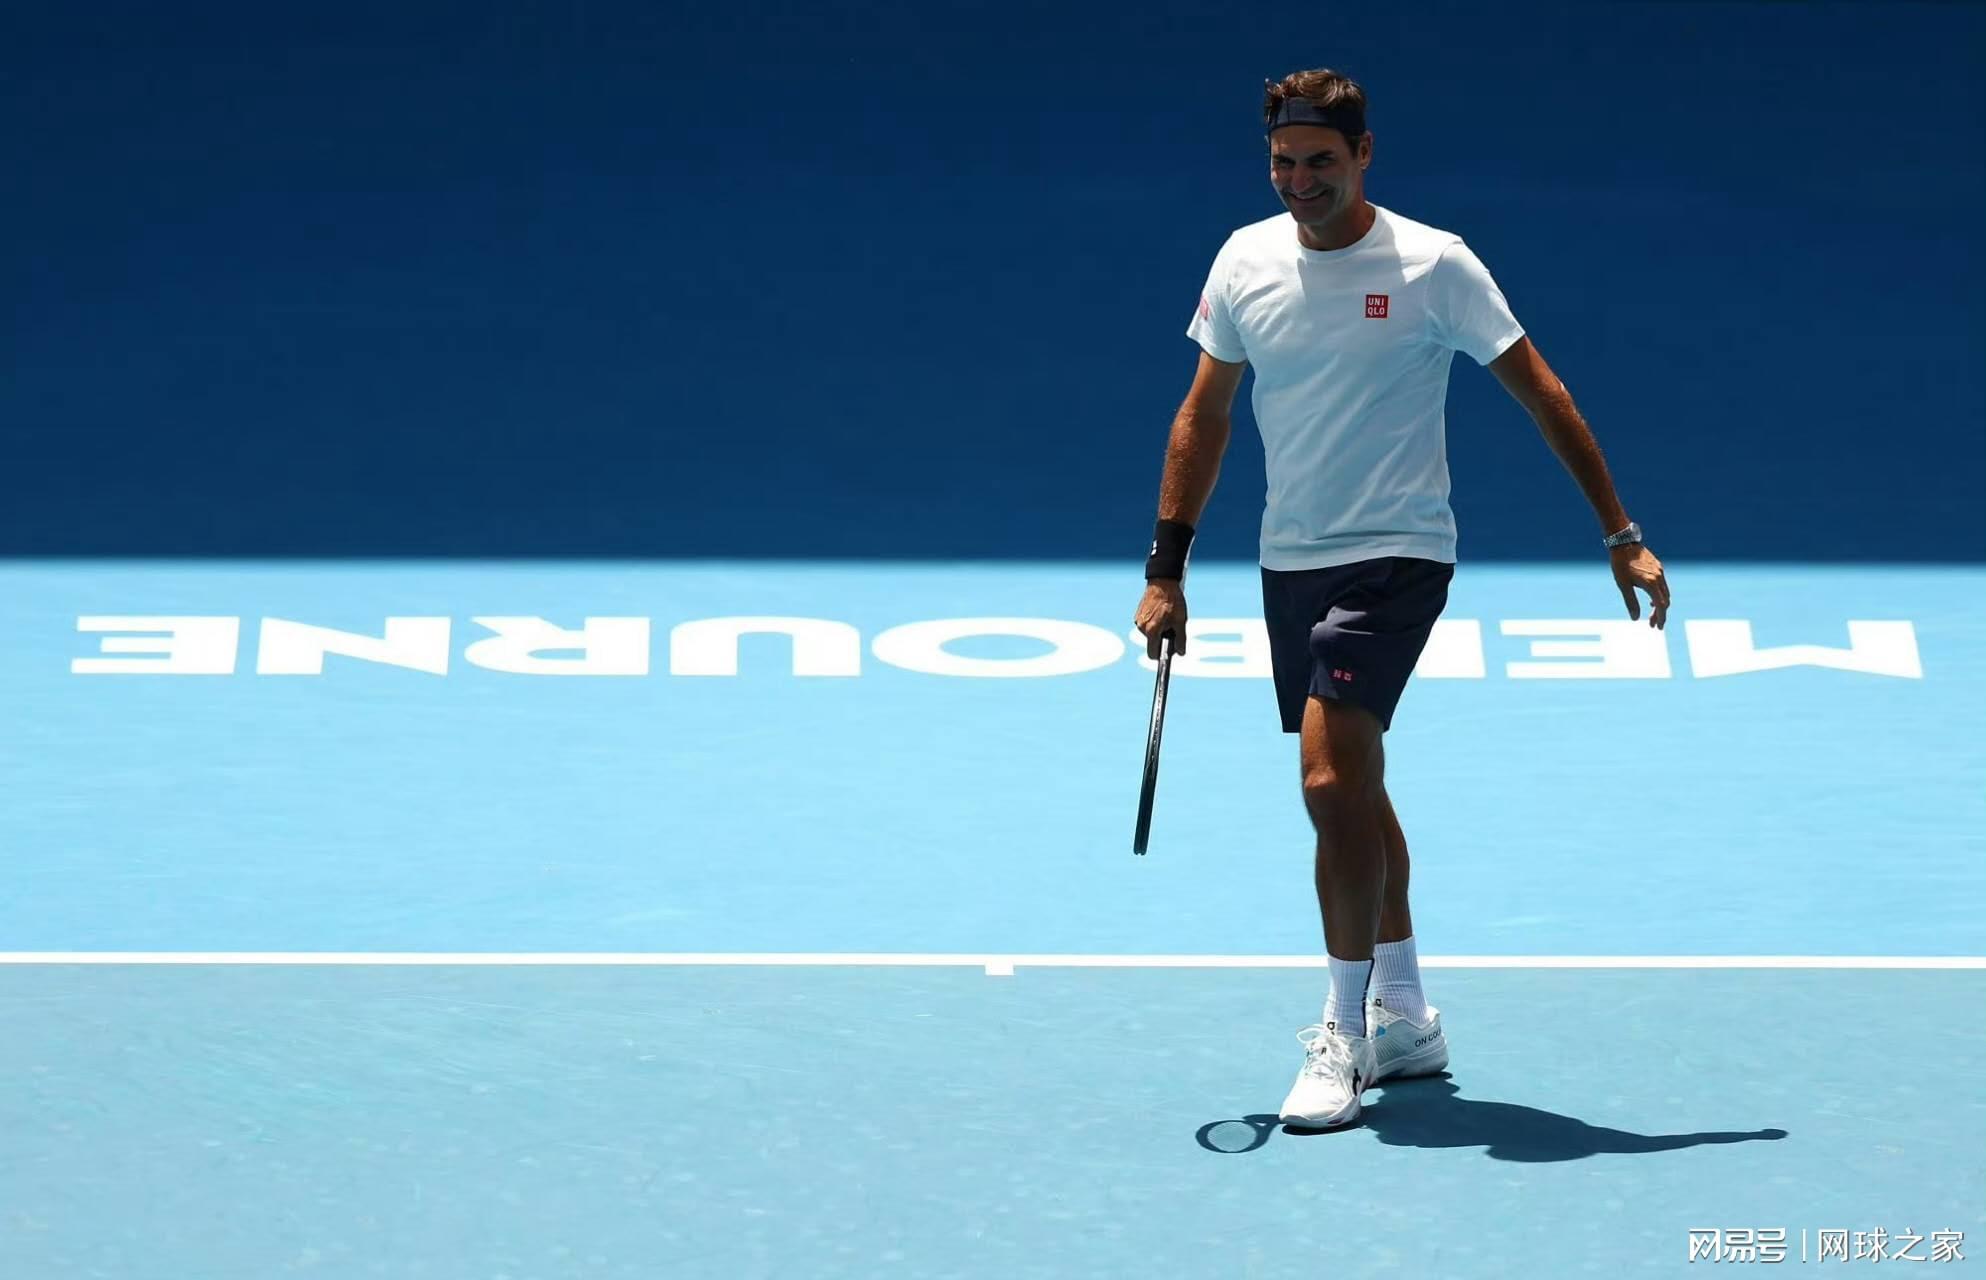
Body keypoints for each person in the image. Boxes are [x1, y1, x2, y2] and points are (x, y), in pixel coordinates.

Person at [1131, 68, 1671, 1130]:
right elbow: (1205, 413)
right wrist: (1166, 566)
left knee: (1328, 779)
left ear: (1365, 154)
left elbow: (1542, 393)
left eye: (1321, 162)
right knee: (1358, 789)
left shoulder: (1434, 265)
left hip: (1400, 554)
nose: (1300, 181)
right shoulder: (1243, 259)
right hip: (1291, 558)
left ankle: (1345, 1032)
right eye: (1283, 162)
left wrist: (1622, 534)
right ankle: (1412, 1015)